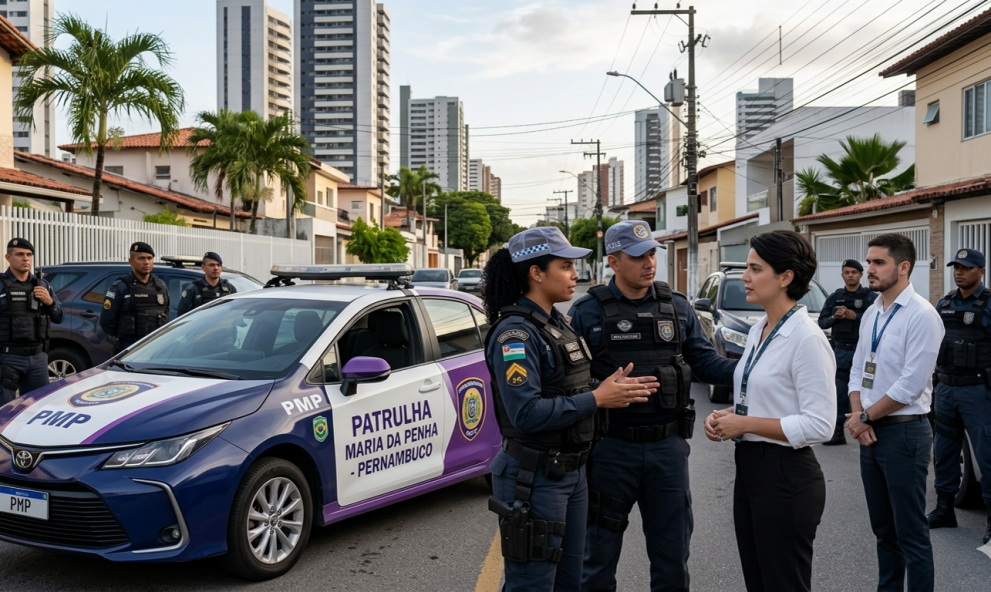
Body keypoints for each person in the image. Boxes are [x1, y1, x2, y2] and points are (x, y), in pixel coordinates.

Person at [482, 226, 659, 592]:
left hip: (571, 473)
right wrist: (597, 398)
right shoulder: (514, 334)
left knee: (570, 583)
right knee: (532, 584)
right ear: (536, 272)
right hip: (534, 476)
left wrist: (608, 390)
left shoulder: (556, 323)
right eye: (565, 266)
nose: (575, 275)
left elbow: (568, 385)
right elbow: (526, 412)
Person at [568, 220, 737, 592]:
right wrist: (603, 389)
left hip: (667, 451)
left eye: (651, 254)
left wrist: (751, 370)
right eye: (637, 256)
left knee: (672, 559)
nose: (649, 263)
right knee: (596, 561)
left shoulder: (676, 306)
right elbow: (570, 380)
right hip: (610, 449)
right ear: (613, 261)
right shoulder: (587, 312)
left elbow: (704, 361)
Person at [704, 230, 835, 592]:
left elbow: (820, 424)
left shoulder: (807, 338)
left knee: (783, 584)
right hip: (751, 469)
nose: (745, 276)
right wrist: (726, 416)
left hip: (786, 475)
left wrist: (743, 423)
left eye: (754, 268)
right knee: (759, 582)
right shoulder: (761, 327)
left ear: (785, 277)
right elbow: (762, 396)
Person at [846, 233, 942, 592]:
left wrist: (865, 418)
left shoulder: (922, 316)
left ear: (903, 267)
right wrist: (860, 417)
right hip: (870, 431)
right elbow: (857, 371)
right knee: (883, 531)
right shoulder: (872, 312)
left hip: (904, 434)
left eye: (878, 263)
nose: (868, 269)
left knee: (911, 534)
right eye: (868, 261)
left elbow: (910, 385)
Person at [927, 248, 991, 544]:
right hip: (947, 389)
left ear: (981, 271)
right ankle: (944, 509)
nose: (958, 272)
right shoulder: (945, 303)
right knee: (944, 451)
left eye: (966, 268)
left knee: (987, 456)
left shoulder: (988, 304)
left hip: (978, 391)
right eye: (956, 267)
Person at [818, 259, 877, 445]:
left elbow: (878, 321)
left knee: (868, 391)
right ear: (842, 275)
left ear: (860, 275)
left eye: (854, 272)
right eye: (846, 272)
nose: (850, 275)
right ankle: (837, 432)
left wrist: (855, 317)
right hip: (841, 353)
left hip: (865, 354)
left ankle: (871, 426)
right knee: (840, 393)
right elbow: (822, 322)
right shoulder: (835, 297)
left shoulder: (870, 297)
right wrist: (834, 317)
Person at [0, 238, 63, 404]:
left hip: (38, 359)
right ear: (8, 257)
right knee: (4, 411)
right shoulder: (0, 285)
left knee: (36, 409)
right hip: (7, 358)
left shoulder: (42, 285)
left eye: (29, 254)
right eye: (20, 254)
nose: (25, 258)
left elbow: (59, 317)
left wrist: (50, 302)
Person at [100, 242, 170, 354]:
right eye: (141, 258)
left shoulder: (160, 286)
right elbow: (106, 321)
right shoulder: (120, 286)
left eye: (149, 258)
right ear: (131, 261)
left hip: (156, 348)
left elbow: (165, 313)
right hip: (129, 349)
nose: (146, 262)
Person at [177, 252, 236, 316]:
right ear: (203, 268)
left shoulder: (230, 289)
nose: (216, 268)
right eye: (211, 265)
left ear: (221, 268)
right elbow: (182, 316)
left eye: (218, 265)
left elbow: (236, 313)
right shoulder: (193, 289)